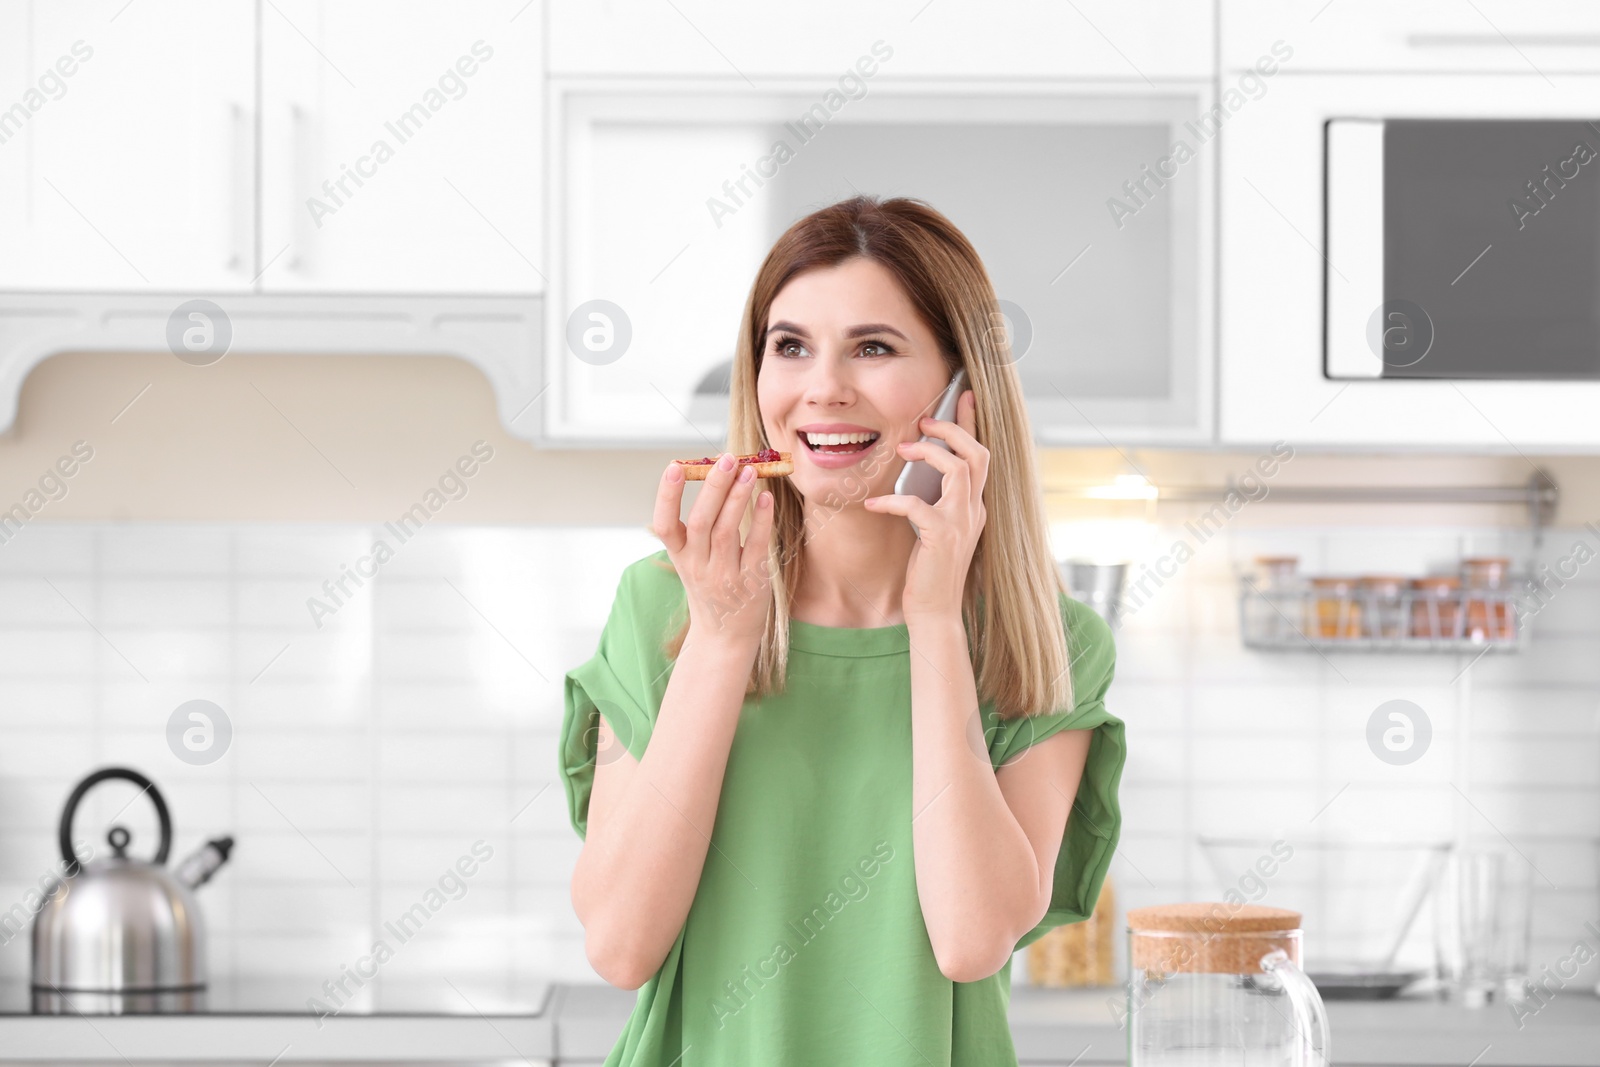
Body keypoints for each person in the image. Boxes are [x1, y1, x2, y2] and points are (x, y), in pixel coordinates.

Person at [559, 195, 1126, 1066]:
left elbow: (970, 939)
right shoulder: (662, 609)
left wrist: (934, 620)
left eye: (873, 347)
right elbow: (622, 944)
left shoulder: (1047, 643)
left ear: (960, 388)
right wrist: (721, 638)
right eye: (789, 346)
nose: (823, 386)